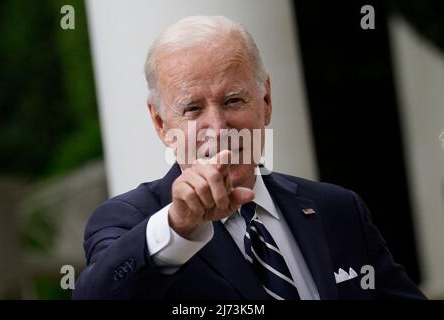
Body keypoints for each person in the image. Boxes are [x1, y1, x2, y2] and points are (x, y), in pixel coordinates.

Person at [72, 15, 425, 300]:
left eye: (233, 101)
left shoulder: (338, 210)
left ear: (266, 101)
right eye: (193, 109)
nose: (219, 126)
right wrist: (179, 227)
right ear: (161, 122)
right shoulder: (127, 221)